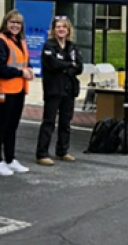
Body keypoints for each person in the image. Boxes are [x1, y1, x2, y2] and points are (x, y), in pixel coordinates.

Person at [0, 10, 33, 176]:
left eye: (18, 23)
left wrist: (28, 70)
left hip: (19, 90)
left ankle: (10, 158)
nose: (15, 25)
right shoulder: (0, 41)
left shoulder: (20, 41)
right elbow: (0, 68)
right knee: (1, 127)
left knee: (12, 127)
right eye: (12, 22)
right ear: (6, 23)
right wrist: (21, 72)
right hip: (5, 91)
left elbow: (24, 62)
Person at [36, 16, 84, 166]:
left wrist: (66, 66)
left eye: (64, 27)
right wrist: (69, 65)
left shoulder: (72, 46)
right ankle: (42, 153)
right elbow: (52, 64)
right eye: (58, 27)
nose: (61, 29)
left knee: (66, 122)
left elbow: (80, 67)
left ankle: (62, 151)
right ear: (53, 30)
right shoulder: (49, 45)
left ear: (69, 30)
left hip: (69, 89)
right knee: (49, 121)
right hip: (53, 90)